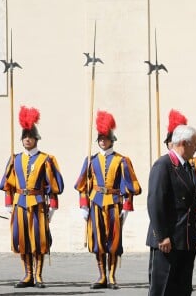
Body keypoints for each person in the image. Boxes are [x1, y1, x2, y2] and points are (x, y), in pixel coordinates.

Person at [146, 124, 196, 296]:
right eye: (194, 144)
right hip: (168, 241)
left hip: (185, 240)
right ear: (183, 143)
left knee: (182, 289)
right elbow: (155, 202)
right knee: (163, 289)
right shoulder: (163, 165)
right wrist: (162, 235)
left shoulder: (187, 166)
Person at [74, 110, 141, 290]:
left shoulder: (122, 160)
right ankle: (101, 275)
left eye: (105, 138)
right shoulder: (90, 159)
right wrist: (83, 206)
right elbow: (83, 185)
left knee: (113, 240)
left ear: (112, 139)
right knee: (98, 240)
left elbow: (130, 187)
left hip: (114, 203)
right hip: (95, 202)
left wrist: (126, 208)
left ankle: (112, 276)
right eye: (100, 139)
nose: (103, 141)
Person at [0, 106, 64, 289]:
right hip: (19, 203)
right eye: (24, 137)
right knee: (22, 239)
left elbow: (54, 186)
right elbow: (7, 184)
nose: (27, 139)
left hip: (38, 203)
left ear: (36, 139)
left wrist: (53, 207)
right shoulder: (15, 159)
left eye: (30, 136)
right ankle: (27, 274)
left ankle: (38, 275)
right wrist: (8, 204)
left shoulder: (46, 159)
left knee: (38, 239)